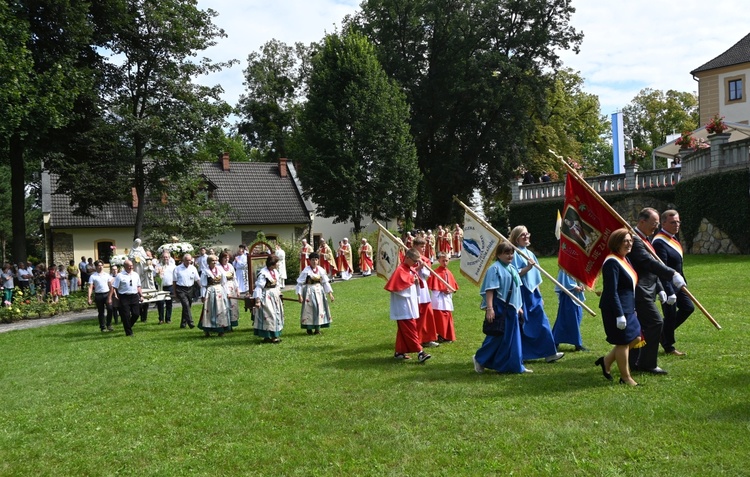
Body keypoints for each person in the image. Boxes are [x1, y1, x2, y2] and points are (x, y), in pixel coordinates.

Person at [627, 207, 686, 375]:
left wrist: (660, 288)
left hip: (649, 289)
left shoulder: (645, 239)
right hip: (640, 290)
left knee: (641, 327)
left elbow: (652, 268)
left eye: (658, 224)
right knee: (656, 322)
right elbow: (648, 263)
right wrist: (672, 274)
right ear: (642, 221)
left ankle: (635, 361)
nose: (656, 227)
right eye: (654, 224)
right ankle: (647, 363)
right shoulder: (636, 239)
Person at [595, 229, 644, 386]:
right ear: (616, 243)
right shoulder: (611, 262)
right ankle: (625, 377)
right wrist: (619, 314)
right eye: (625, 241)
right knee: (623, 342)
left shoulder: (624, 259)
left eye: (630, 240)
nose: (629, 243)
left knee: (636, 337)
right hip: (616, 309)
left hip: (628, 307)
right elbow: (611, 291)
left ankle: (607, 360)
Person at [473, 241, 530, 374]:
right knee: (496, 337)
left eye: (511, 253)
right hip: (500, 307)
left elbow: (516, 288)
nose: (510, 256)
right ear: (498, 255)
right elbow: (490, 289)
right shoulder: (495, 269)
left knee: (513, 338)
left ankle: (515, 365)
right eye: (506, 253)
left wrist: (518, 307)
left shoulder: (512, 268)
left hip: (512, 309)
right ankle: (479, 358)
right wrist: (490, 308)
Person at [509, 226, 564, 363]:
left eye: (527, 233)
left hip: (533, 294)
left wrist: (539, 294)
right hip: (522, 293)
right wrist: (527, 267)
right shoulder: (514, 254)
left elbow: (537, 275)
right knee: (523, 324)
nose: (526, 236)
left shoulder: (530, 254)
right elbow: (514, 274)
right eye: (523, 235)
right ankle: (524, 353)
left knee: (542, 321)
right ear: (516, 238)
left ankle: (550, 352)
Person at [652, 209, 693, 357]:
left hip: (678, 283)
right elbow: (662, 268)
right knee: (669, 315)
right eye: (673, 222)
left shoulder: (674, 238)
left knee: (688, 308)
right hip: (667, 285)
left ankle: (661, 333)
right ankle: (668, 346)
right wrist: (668, 291)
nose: (677, 225)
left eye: (678, 222)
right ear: (663, 223)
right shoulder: (659, 241)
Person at [385, 248, 431, 363]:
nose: (415, 263)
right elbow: (398, 286)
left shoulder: (409, 268)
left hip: (410, 304)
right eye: (414, 260)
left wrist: (416, 273)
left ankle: (399, 352)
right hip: (403, 307)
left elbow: (412, 276)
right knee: (410, 330)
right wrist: (412, 279)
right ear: (408, 258)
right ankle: (420, 352)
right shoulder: (400, 270)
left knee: (403, 330)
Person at [296, 252, 334, 335]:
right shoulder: (306, 271)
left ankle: (317, 329)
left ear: (318, 261)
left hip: (319, 291)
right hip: (309, 291)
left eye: (316, 260)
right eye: (312, 260)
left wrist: (330, 294)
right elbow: (299, 283)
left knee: (319, 309)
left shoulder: (320, 270)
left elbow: (325, 282)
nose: (314, 262)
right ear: (309, 261)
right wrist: (299, 295)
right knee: (308, 309)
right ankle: (308, 328)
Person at [412, 237, 439, 348]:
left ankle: (428, 339)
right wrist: (418, 266)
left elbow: (427, 275)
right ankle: (416, 339)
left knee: (427, 314)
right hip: (413, 289)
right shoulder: (409, 258)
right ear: (415, 247)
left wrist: (423, 266)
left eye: (424, 246)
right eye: (421, 247)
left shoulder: (425, 259)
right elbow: (406, 271)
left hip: (423, 290)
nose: (423, 249)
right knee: (416, 315)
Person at [552, 270, 587, 351]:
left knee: (577, 317)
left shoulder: (577, 264)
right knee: (567, 319)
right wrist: (574, 287)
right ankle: (556, 341)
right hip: (568, 297)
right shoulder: (565, 267)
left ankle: (556, 341)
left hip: (576, 296)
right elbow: (564, 281)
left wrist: (582, 286)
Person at [252, 254, 284, 343]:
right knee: (269, 315)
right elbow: (259, 287)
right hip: (266, 296)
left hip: (274, 295)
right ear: (272, 264)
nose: (278, 264)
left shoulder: (275, 272)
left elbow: (277, 285)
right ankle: (270, 337)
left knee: (276, 314)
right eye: (277, 263)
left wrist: (279, 293)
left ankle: (271, 336)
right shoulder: (263, 274)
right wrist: (258, 300)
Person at [199, 255, 232, 337]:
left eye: (216, 260)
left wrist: (227, 293)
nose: (215, 262)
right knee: (209, 310)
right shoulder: (205, 271)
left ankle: (221, 329)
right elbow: (203, 285)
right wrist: (203, 295)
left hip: (220, 291)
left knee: (221, 309)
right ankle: (207, 330)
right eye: (213, 261)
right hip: (210, 291)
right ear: (209, 262)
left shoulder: (220, 270)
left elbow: (224, 283)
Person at [428, 252, 459, 343]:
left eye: (446, 260)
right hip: (439, 299)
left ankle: (448, 335)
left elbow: (453, 286)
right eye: (443, 261)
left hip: (447, 298)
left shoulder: (449, 272)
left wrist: (451, 290)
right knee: (440, 318)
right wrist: (441, 290)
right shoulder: (436, 273)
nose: (445, 262)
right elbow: (433, 286)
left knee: (447, 316)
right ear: (439, 261)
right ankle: (441, 335)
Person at [108, 259, 143, 337]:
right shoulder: (120, 275)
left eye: (131, 266)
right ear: (124, 267)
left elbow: (138, 286)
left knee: (136, 314)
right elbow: (114, 287)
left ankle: (128, 326)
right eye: (129, 266)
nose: (131, 267)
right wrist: (110, 298)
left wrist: (141, 295)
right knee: (126, 315)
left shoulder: (135, 275)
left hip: (134, 296)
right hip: (124, 297)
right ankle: (129, 332)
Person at [172, 254, 200, 329]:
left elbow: (197, 279)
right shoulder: (177, 269)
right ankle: (191, 322)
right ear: (183, 260)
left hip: (190, 288)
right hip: (180, 289)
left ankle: (183, 324)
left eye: (189, 260)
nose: (188, 262)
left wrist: (202, 287)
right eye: (187, 260)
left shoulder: (193, 268)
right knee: (186, 304)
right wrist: (175, 293)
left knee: (187, 306)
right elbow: (174, 281)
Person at [88, 260, 114, 332]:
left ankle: (109, 324)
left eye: (101, 265)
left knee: (110, 309)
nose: (100, 267)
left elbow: (111, 284)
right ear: (96, 267)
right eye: (99, 265)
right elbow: (90, 287)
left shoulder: (107, 275)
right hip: (98, 295)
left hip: (106, 294)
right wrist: (89, 297)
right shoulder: (93, 276)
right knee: (101, 311)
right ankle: (102, 327)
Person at [218, 251, 240, 327]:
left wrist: (237, 289)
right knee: (225, 305)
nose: (226, 259)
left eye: (227, 257)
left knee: (233, 305)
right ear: (221, 258)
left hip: (232, 287)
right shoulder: (218, 267)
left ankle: (232, 322)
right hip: (223, 287)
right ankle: (225, 324)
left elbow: (235, 278)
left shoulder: (230, 266)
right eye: (224, 258)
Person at [157, 252, 175, 324]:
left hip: (170, 286)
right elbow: (155, 275)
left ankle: (168, 319)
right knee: (160, 303)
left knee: (169, 303)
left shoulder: (173, 266)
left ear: (169, 258)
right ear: (161, 258)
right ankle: (161, 319)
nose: (165, 258)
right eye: (164, 257)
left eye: (167, 257)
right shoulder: (158, 266)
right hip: (161, 287)